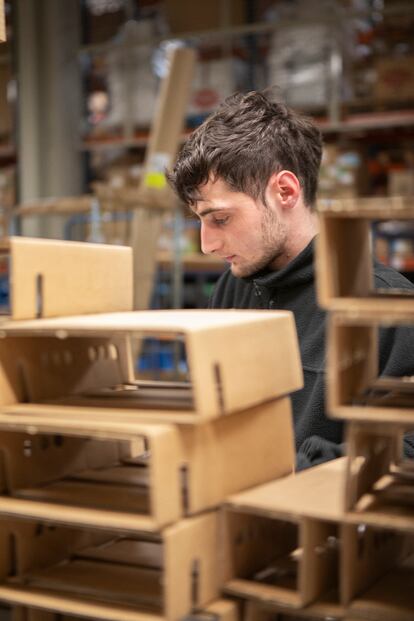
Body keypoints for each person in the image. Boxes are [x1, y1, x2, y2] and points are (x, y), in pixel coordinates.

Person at [167, 89, 414, 469]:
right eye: (199, 221)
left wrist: (297, 471)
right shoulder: (234, 289)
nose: (207, 245)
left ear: (285, 191)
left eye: (220, 219)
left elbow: (405, 456)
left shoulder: (387, 310)